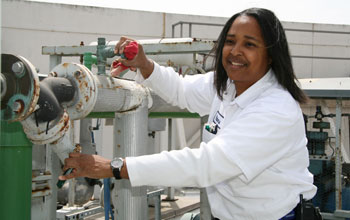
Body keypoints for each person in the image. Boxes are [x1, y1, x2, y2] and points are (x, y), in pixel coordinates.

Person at [59, 8, 317, 220]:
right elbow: (182, 90)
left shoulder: (276, 108)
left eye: (249, 44)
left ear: (270, 56)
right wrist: (144, 65)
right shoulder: (226, 86)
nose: (235, 51)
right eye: (230, 41)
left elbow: (206, 164)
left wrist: (113, 167)